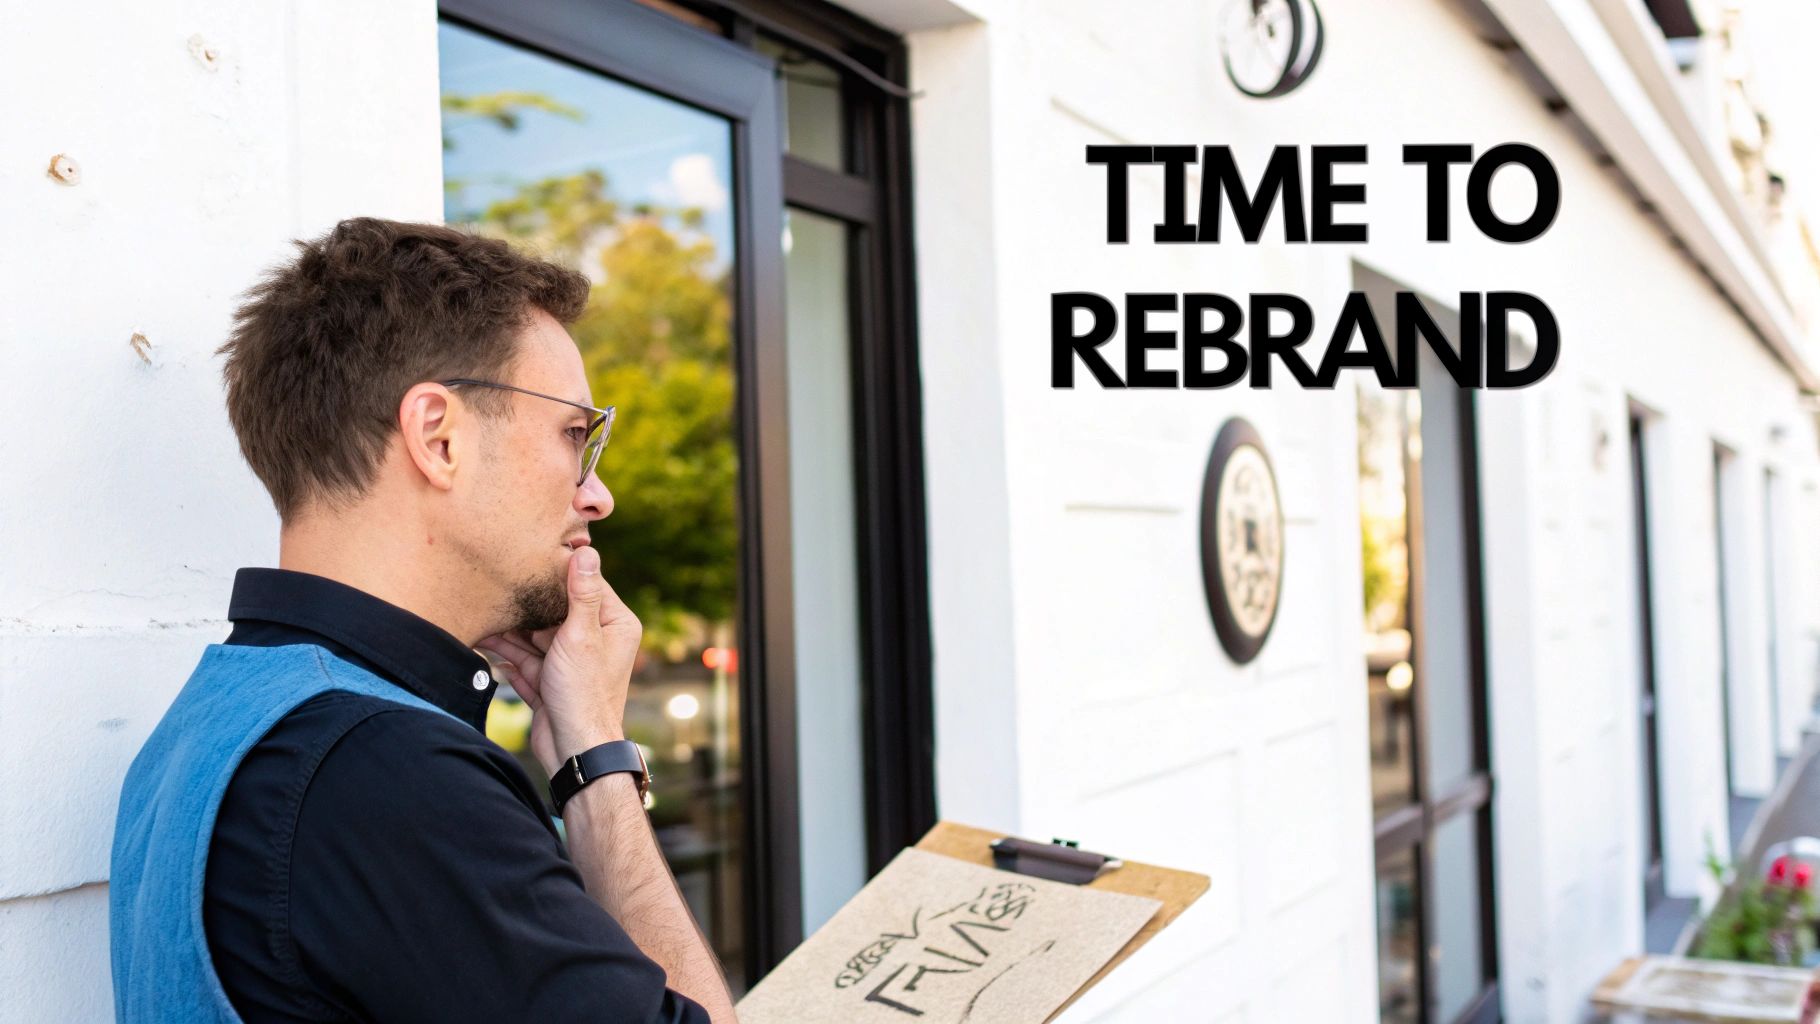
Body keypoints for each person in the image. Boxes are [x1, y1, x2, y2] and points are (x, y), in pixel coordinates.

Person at [109, 217, 737, 1023]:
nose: (597, 495)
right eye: (575, 435)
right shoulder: (386, 775)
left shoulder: (209, 723)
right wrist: (596, 765)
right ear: (437, 437)